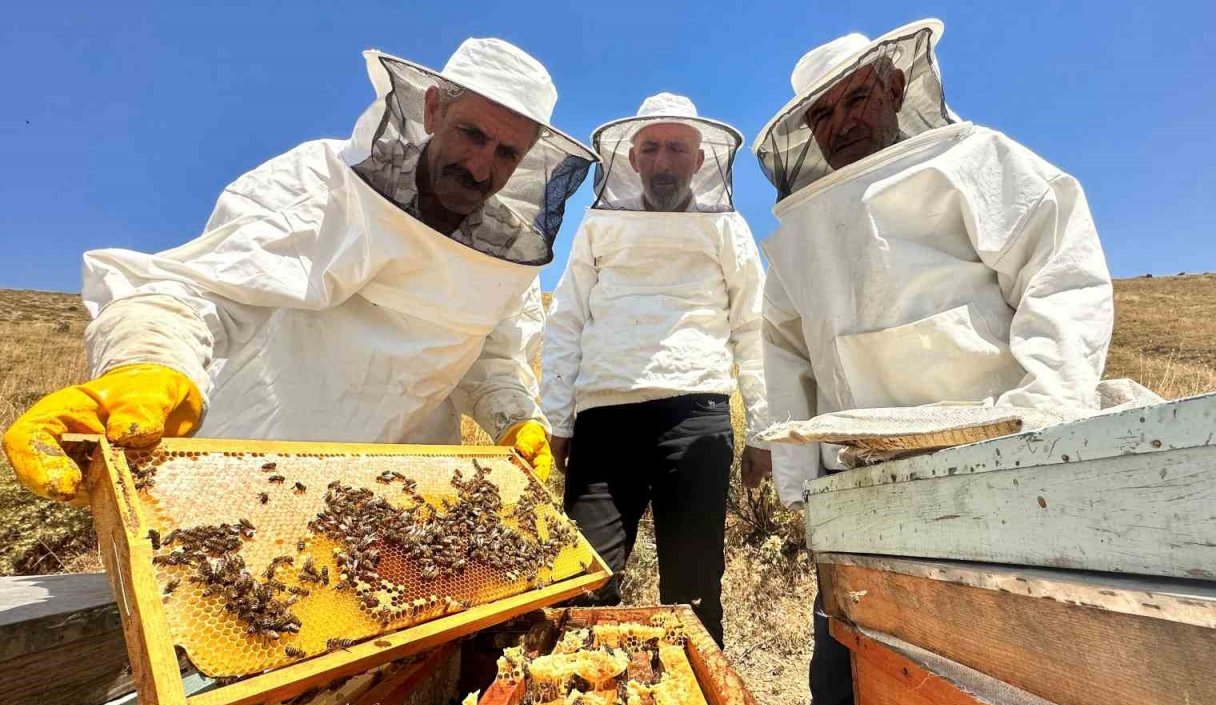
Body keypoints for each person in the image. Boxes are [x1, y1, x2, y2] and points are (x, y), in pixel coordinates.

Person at [3, 38, 598, 504]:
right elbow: (197, 291)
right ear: (435, 108)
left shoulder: (509, 253)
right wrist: (149, 364)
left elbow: (492, 360)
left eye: (505, 153)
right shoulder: (321, 182)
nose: (480, 165)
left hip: (400, 492)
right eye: (472, 134)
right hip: (250, 467)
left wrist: (513, 418)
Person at [752, 19, 1113, 705]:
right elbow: (783, 349)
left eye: (854, 98)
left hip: (997, 471)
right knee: (845, 679)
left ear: (894, 85)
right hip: (862, 492)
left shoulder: (979, 161)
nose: (841, 122)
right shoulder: (799, 235)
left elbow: (1059, 272)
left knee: (991, 680)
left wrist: (1047, 418)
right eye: (822, 115)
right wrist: (802, 488)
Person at [541, 93, 771, 646]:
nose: (664, 160)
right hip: (604, 419)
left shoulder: (727, 226)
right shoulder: (598, 223)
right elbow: (567, 317)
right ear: (633, 158)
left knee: (693, 594)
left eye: (677, 148)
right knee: (581, 584)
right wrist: (558, 419)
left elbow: (754, 325)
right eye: (652, 148)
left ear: (698, 160)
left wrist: (763, 429)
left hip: (696, 415)